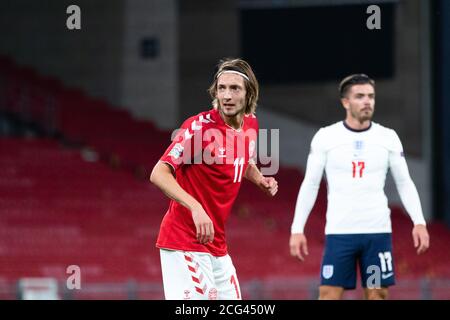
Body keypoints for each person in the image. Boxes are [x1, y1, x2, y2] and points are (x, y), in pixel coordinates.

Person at [289, 74, 430, 300]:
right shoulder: (326, 137)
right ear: (346, 102)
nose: (367, 101)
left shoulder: (388, 137)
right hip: (339, 234)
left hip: (376, 234)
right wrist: (297, 229)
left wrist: (419, 222)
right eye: (360, 96)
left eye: (371, 96)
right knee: (328, 295)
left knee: (376, 294)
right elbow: (311, 184)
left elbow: (404, 182)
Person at [150, 58, 278, 300]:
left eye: (235, 88)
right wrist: (196, 207)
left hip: (217, 244)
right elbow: (159, 173)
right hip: (184, 241)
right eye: (222, 88)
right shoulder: (200, 129)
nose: (227, 96)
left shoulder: (250, 124)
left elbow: (241, 160)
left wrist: (260, 179)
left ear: (249, 93)